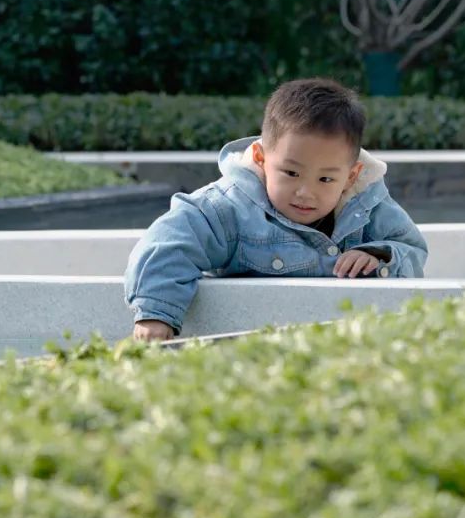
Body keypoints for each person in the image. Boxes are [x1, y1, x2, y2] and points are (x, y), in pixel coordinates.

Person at [126, 77, 427, 342]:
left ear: (350, 176)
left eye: (325, 179)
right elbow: (169, 244)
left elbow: (412, 249)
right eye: (291, 173)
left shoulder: (369, 206)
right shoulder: (228, 208)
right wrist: (156, 313)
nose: (305, 192)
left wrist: (378, 254)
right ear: (260, 157)